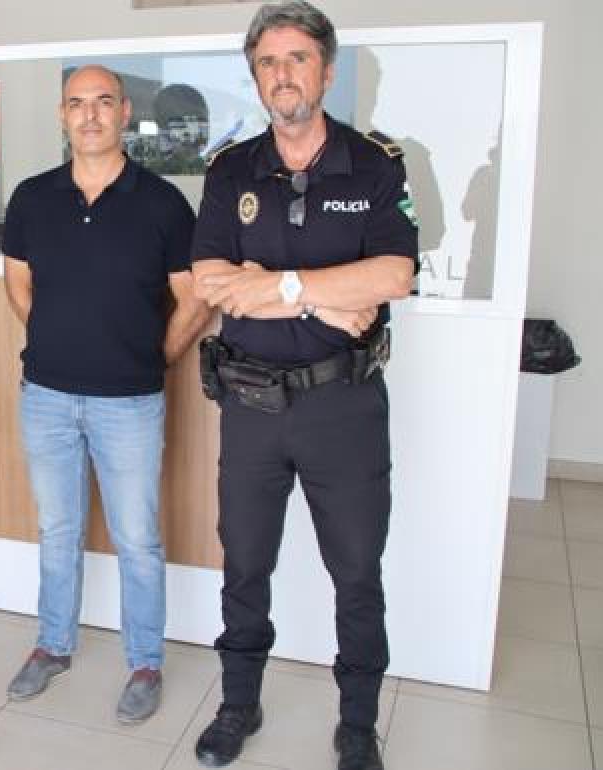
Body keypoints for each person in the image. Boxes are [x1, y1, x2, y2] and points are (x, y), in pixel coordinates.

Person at [188, 3, 418, 769]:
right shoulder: (230, 169)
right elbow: (210, 281)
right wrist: (322, 294)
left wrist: (276, 284)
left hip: (342, 408)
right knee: (245, 565)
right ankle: (238, 704)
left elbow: (394, 274)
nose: (282, 74)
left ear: (325, 68)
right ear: (256, 76)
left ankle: (356, 724)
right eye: (267, 63)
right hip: (251, 407)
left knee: (356, 571)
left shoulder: (376, 162)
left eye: (296, 58)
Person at [1, 65, 210, 725]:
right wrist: (56, 342)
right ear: (61, 116)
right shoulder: (32, 198)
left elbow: (194, 297)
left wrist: (158, 355)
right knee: (57, 529)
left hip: (130, 402)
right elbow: (18, 284)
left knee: (137, 538)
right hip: (47, 397)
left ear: (125, 114)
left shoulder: (163, 203)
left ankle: (145, 661)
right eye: (75, 104)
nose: (89, 115)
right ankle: (52, 645)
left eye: (102, 103)